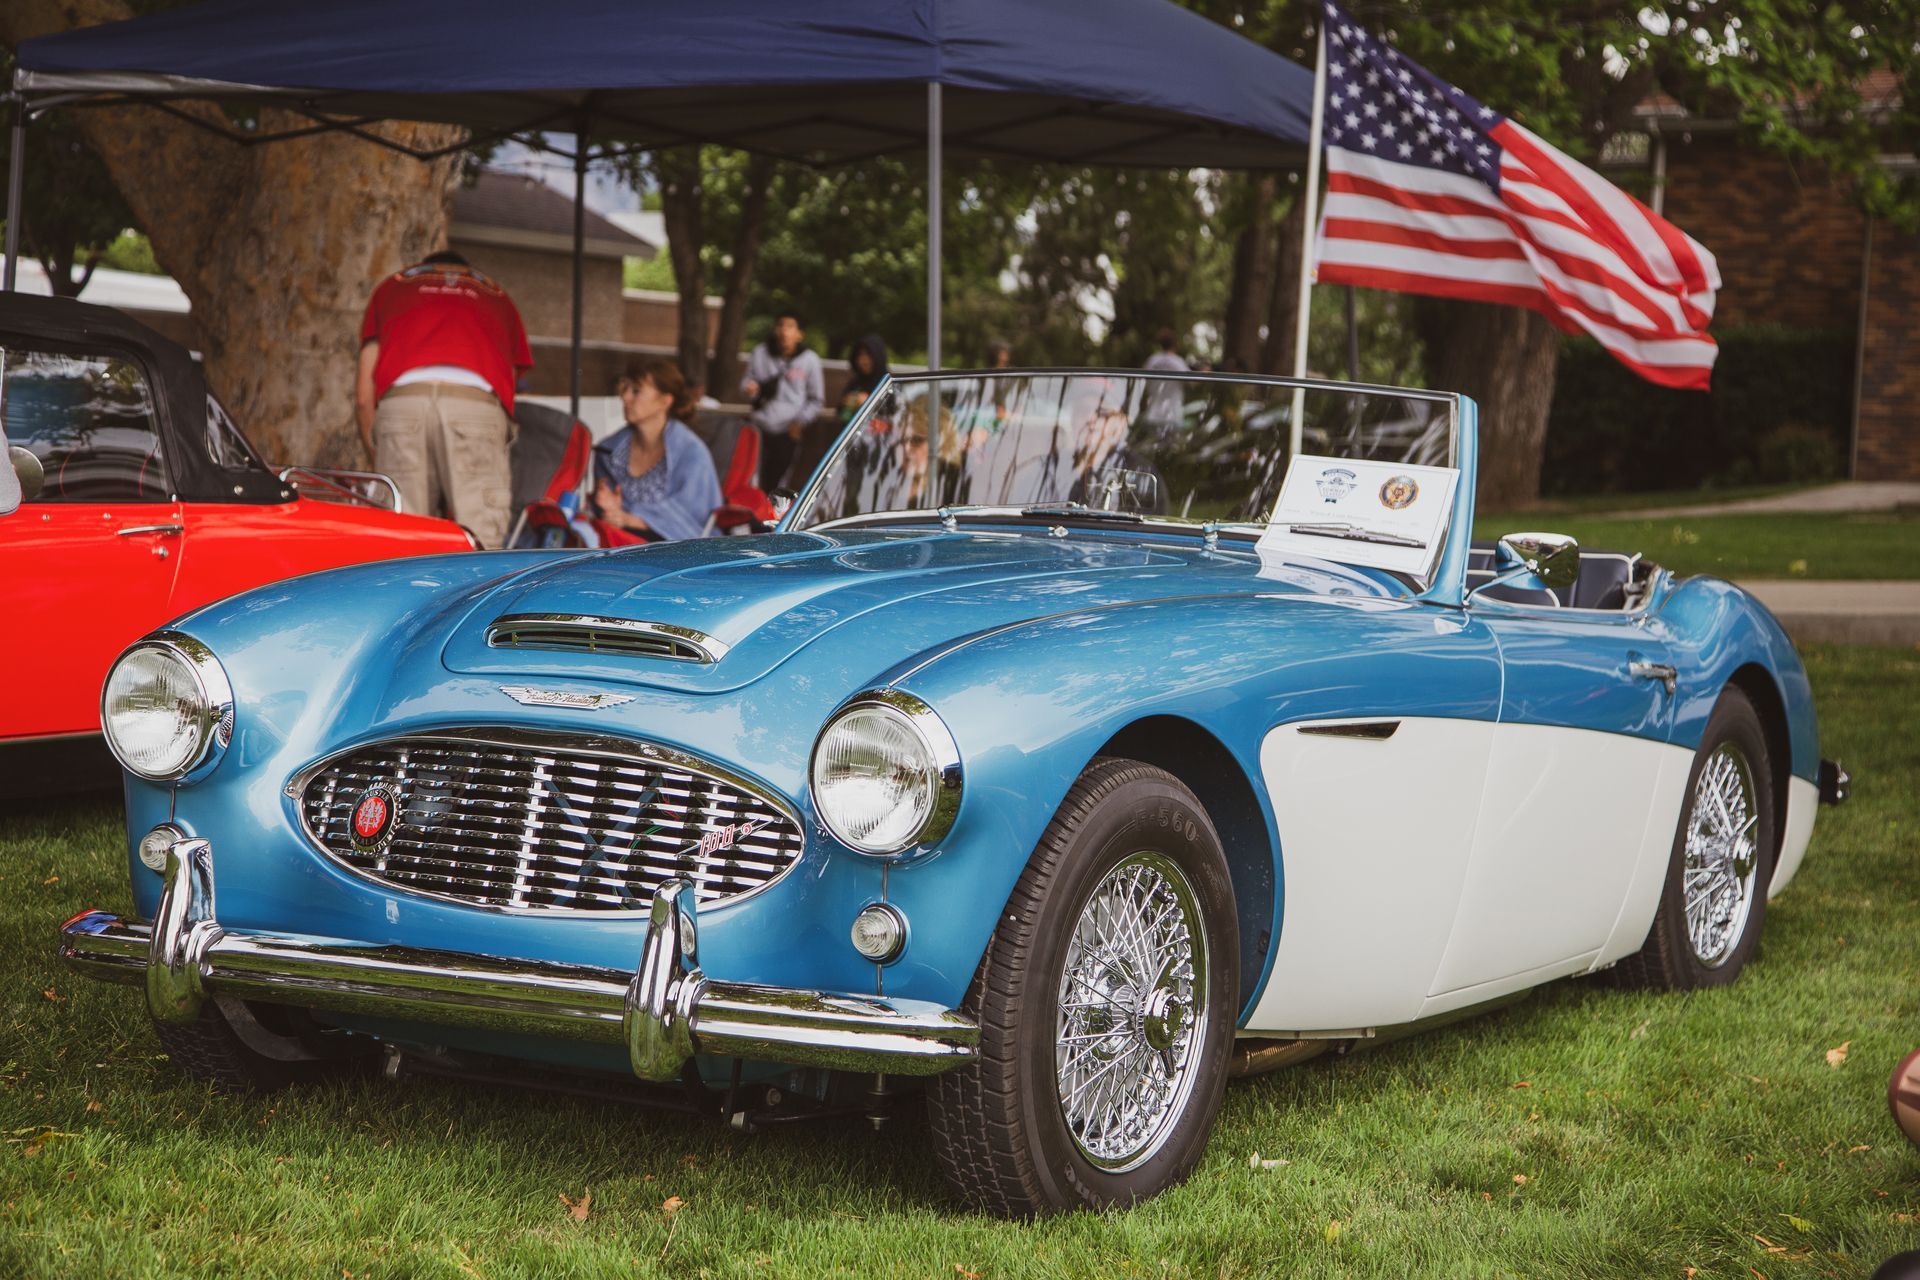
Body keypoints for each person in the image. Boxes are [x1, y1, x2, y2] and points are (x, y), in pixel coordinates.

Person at [356, 250, 530, 548]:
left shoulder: (391, 288)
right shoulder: (496, 295)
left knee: (400, 542)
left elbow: (363, 396)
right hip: (474, 404)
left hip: (403, 403)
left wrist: (379, 451)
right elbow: (508, 388)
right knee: (481, 541)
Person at [591, 356, 723, 543]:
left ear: (665, 400)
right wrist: (606, 505)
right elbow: (607, 511)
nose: (625, 397)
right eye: (624, 388)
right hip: (617, 547)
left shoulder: (691, 453)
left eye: (636, 391)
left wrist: (629, 519)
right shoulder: (608, 451)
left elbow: (693, 519)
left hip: (677, 557)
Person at [740, 310, 824, 490]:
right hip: (760, 426)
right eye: (780, 326)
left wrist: (800, 422)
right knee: (753, 479)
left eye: (790, 327)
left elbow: (816, 400)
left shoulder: (810, 360)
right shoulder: (760, 353)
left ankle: (773, 516)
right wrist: (750, 388)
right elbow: (745, 384)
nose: (784, 331)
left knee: (778, 483)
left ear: (800, 334)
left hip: (788, 430)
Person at [838, 334, 889, 424]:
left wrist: (869, 403)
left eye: (868, 355)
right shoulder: (855, 382)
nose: (863, 360)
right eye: (860, 355)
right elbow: (841, 412)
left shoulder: (887, 383)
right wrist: (846, 402)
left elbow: (892, 415)